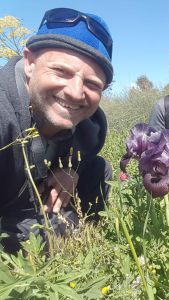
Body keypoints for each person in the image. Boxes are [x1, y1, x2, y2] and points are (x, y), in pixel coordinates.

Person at [0, 8, 114, 253]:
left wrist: (71, 169)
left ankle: (84, 240)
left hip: (38, 202)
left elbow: (85, 164)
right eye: (61, 71)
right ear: (30, 63)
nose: (75, 92)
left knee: (100, 169)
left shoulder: (92, 127)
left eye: (92, 84)